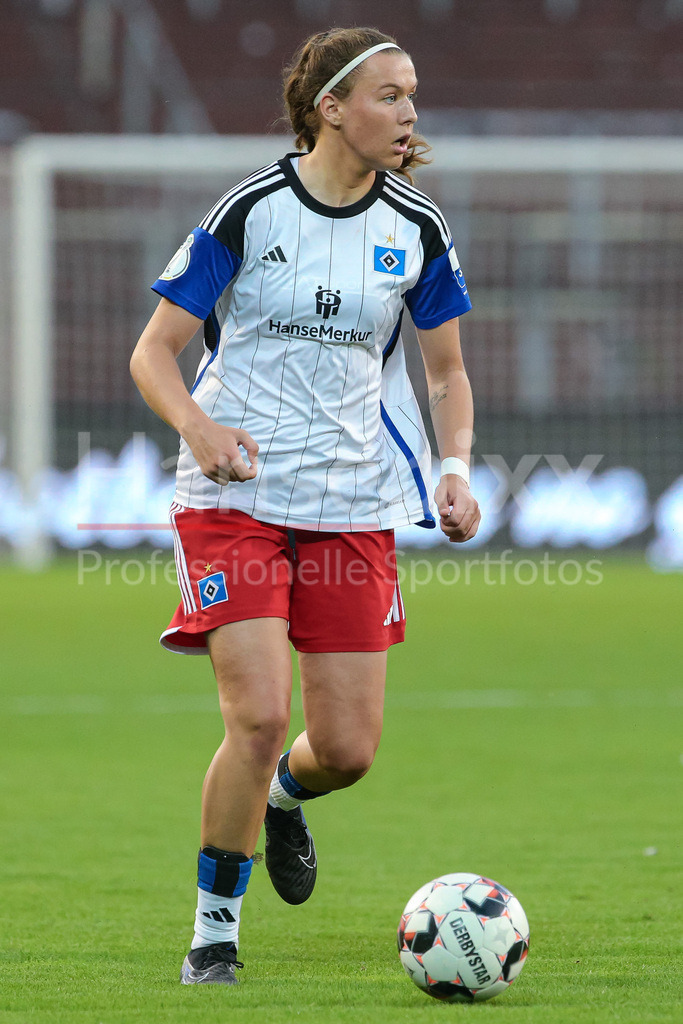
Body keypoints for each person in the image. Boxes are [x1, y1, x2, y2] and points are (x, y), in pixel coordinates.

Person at [130, 25, 480, 986]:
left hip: (352, 501)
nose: (409, 112)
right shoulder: (250, 210)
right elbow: (153, 352)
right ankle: (213, 934)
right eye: (389, 95)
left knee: (349, 750)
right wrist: (200, 429)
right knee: (256, 716)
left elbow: (446, 372)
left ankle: (283, 801)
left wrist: (455, 467)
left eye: (412, 94)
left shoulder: (416, 227)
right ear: (331, 108)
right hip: (233, 499)